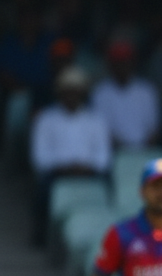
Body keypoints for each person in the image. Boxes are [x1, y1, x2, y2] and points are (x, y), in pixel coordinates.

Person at [29, 66, 111, 245]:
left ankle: (105, 239)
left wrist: (85, 168)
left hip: (89, 174)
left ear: (83, 93)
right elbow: (40, 157)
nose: (72, 96)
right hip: (58, 174)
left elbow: (103, 158)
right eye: (68, 91)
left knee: (110, 189)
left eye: (76, 91)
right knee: (41, 191)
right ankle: (41, 235)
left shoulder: (96, 119)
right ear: (60, 93)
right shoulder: (46, 118)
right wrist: (65, 167)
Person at [91, 41, 160, 149]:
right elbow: (100, 130)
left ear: (133, 62)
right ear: (111, 64)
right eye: (118, 62)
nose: (122, 66)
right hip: (114, 153)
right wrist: (123, 149)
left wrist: (142, 149)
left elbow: (154, 129)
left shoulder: (146, 90)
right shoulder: (101, 92)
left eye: (125, 61)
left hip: (145, 150)